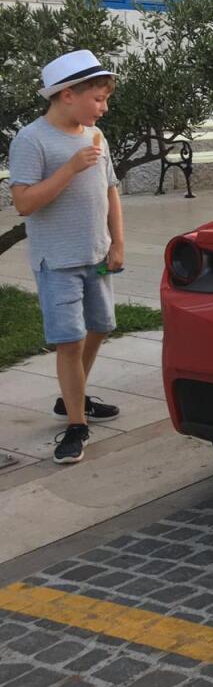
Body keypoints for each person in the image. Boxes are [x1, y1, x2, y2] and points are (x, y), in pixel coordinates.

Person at [8, 50, 125, 466]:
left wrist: (118, 242)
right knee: (70, 341)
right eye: (98, 98)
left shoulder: (96, 136)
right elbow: (23, 203)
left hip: (95, 254)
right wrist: (70, 168)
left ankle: (71, 397)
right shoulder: (32, 138)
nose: (104, 107)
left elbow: (110, 190)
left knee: (101, 326)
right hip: (57, 260)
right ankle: (77, 425)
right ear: (67, 95)